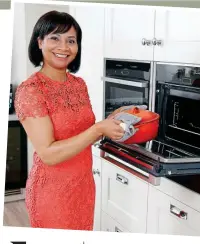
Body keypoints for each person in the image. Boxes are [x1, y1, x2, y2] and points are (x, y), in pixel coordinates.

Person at [14, 10, 124, 230]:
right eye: (55, 38)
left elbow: (81, 135)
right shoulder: (31, 90)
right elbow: (48, 154)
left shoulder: (78, 84)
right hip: (52, 194)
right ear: (39, 42)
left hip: (83, 187)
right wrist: (97, 129)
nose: (64, 47)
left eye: (71, 41)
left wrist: (109, 122)